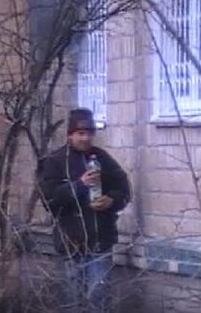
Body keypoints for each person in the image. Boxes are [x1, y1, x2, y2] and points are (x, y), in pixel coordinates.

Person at [37, 108, 131, 312]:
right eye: (80, 133)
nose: (85, 138)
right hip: (71, 245)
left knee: (99, 300)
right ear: (70, 135)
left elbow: (124, 189)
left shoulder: (102, 158)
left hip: (99, 244)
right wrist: (79, 185)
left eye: (89, 133)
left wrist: (111, 200)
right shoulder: (55, 161)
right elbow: (50, 200)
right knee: (72, 301)